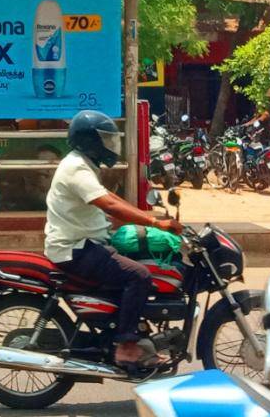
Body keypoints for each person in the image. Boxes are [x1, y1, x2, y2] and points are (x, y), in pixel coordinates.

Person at [45, 110, 183, 369]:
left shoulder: (83, 165)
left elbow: (108, 196)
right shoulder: (75, 167)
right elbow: (109, 204)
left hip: (83, 244)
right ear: (90, 141)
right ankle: (126, 347)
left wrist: (145, 215)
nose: (110, 145)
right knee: (139, 275)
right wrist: (155, 222)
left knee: (136, 260)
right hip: (75, 249)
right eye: (106, 140)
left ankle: (125, 329)